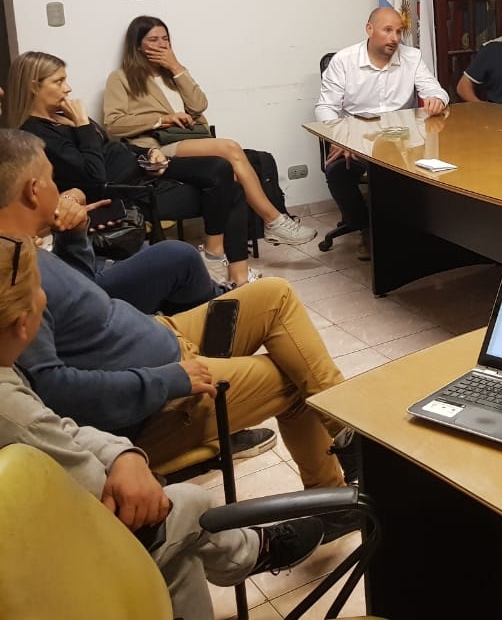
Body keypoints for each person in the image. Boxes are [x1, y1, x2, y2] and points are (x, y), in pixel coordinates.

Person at [0, 130, 361, 537]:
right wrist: (166, 380)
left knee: (274, 294)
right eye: (52, 179)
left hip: (163, 338)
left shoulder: (21, 246)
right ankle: (335, 506)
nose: (63, 191)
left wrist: (74, 235)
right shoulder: (10, 277)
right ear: (33, 190)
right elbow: (53, 390)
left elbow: (84, 296)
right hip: (161, 399)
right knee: (293, 382)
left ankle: (348, 435)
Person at [0, 232, 324, 620]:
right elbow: (89, 474)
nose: (47, 298)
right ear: (23, 325)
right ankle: (257, 547)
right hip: (141, 424)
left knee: (272, 293)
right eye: (40, 292)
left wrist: (122, 455)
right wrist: (162, 387)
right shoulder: (8, 406)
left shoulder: (8, 370)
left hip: (163, 352)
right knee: (191, 509)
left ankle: (344, 440)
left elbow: (55, 427)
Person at [9, 51, 258, 288]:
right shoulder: (37, 133)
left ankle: (227, 267)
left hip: (142, 169)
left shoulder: (63, 115)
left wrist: (149, 153)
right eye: (58, 81)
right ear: (34, 87)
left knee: (220, 168)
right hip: (129, 194)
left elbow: (112, 148)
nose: (68, 88)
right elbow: (94, 176)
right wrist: (83, 125)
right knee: (231, 190)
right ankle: (230, 272)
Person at [102, 16, 316, 246]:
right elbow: (114, 123)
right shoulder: (121, 78)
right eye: (153, 40)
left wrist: (176, 68)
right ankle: (274, 221)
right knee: (230, 147)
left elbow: (199, 105)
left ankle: (224, 252)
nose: (162, 44)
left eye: (165, 39)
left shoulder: (173, 74)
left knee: (233, 179)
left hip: (191, 138)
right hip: (157, 148)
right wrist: (161, 120)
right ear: (137, 45)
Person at [315, 7, 450, 259]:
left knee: (438, 170)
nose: (395, 38)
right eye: (387, 30)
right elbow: (325, 107)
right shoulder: (344, 60)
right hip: (358, 140)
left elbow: (437, 90)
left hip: (404, 142)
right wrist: (340, 138)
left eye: (399, 32)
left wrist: (437, 99)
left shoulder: (411, 57)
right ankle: (366, 228)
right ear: (369, 30)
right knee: (337, 172)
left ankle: (423, 231)